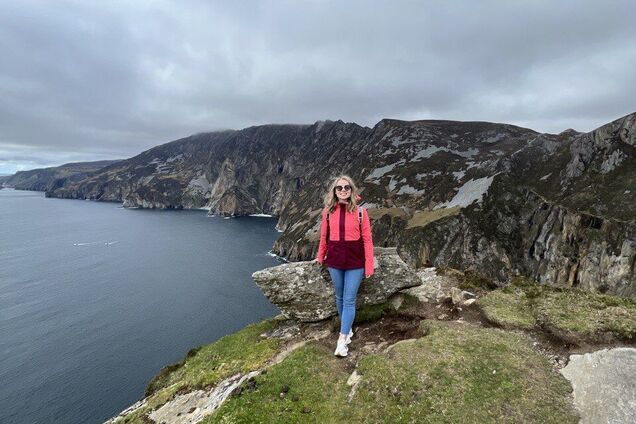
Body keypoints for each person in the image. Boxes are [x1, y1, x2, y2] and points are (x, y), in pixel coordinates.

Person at [316, 175, 375, 357]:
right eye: (339, 188)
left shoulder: (360, 212)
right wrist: (320, 256)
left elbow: (367, 239)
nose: (343, 190)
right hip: (334, 260)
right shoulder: (328, 211)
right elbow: (324, 237)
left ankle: (342, 340)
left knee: (349, 299)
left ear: (352, 189)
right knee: (340, 297)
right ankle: (347, 328)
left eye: (346, 187)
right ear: (334, 191)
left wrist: (369, 264)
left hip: (355, 261)